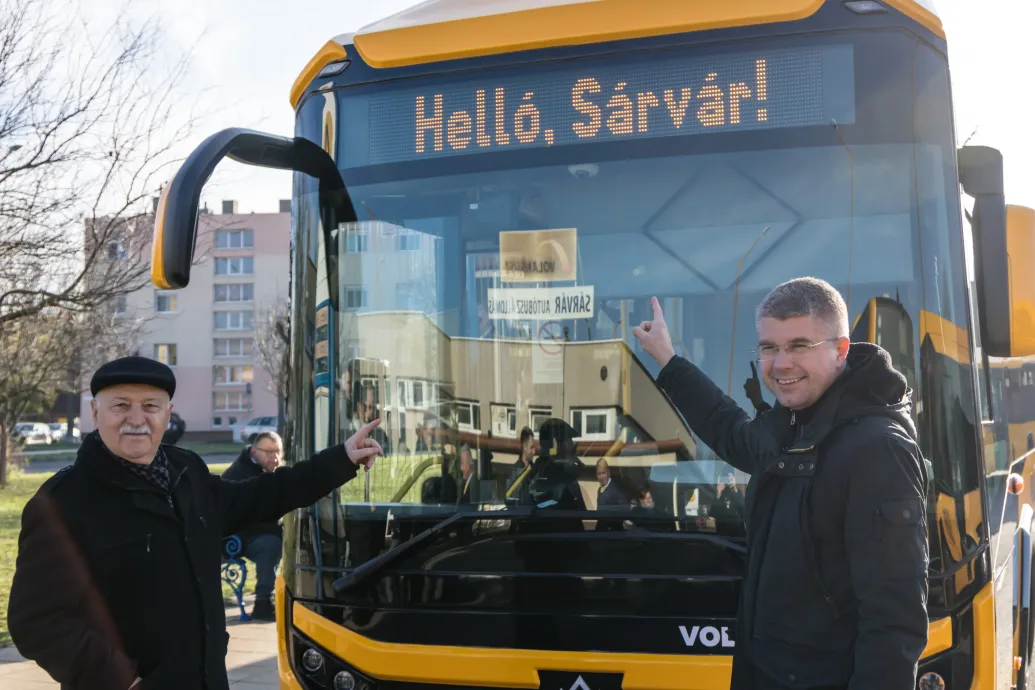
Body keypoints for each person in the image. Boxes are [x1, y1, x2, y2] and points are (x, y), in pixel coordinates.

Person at [7, 356, 383, 690]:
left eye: (150, 406)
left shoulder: (186, 473)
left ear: (167, 414)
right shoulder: (61, 502)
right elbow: (37, 621)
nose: (136, 419)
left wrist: (342, 459)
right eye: (121, 405)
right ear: (95, 412)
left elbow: (264, 496)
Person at [632, 278, 928, 690]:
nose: (780, 363)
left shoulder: (877, 448)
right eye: (770, 348)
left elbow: (893, 622)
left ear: (840, 349)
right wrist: (668, 360)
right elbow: (730, 430)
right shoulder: (794, 423)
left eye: (799, 345)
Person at [220, 430, 286, 621]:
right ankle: (263, 603)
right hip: (233, 537)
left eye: (278, 452)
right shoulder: (241, 475)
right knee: (270, 544)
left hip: (255, 531)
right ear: (254, 451)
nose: (274, 457)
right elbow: (245, 516)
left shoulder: (270, 471)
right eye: (269, 452)